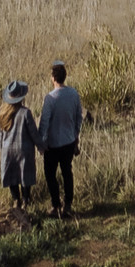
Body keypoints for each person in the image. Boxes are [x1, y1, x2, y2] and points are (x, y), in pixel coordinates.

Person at [40, 61, 83, 218]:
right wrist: (76, 136)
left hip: (52, 144)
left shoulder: (50, 99)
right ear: (65, 77)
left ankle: (55, 204)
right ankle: (68, 205)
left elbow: (44, 123)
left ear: (53, 78)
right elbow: (79, 117)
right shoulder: (73, 94)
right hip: (68, 141)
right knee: (67, 173)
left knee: (50, 174)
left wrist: (41, 143)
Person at [0, 81, 39, 216]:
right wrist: (41, 146)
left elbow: (0, 135)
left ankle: (15, 200)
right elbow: (33, 133)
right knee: (25, 176)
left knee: (12, 176)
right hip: (23, 150)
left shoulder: (1, 113)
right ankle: (26, 201)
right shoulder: (25, 113)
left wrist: (2, 149)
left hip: (8, 150)